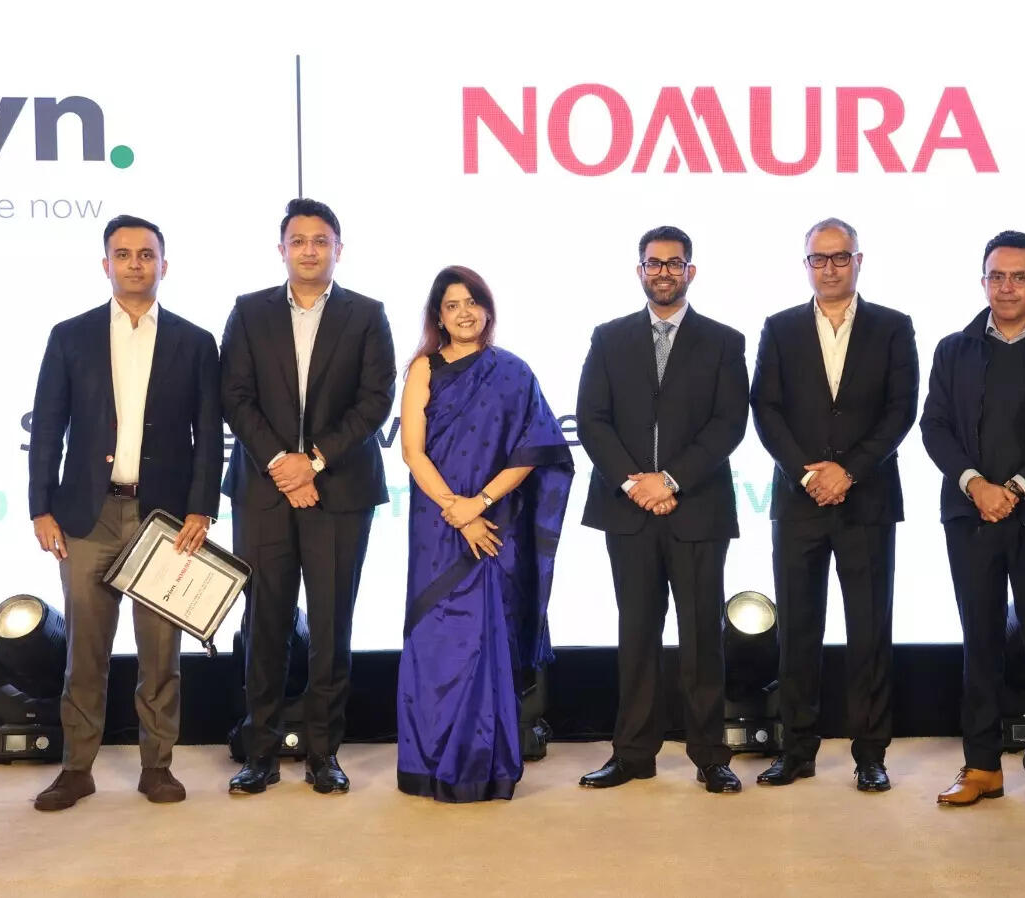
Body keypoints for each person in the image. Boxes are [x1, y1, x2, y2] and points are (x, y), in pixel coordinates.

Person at [27, 214, 222, 811]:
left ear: (165, 264)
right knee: (85, 652)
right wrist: (40, 508)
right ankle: (76, 769)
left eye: (146, 254)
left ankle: (157, 766)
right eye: (123, 253)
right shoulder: (70, 336)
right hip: (87, 517)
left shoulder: (195, 342)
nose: (135, 263)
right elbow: (48, 428)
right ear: (105, 263)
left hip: (164, 521)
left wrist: (201, 510)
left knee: (161, 655)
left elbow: (208, 438)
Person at [222, 198, 396, 796]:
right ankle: (260, 753)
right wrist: (281, 463)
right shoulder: (249, 312)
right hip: (263, 491)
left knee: (330, 625)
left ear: (338, 249)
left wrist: (313, 462)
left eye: (321, 241)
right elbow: (234, 395)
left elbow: (375, 400)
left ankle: (324, 753)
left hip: (339, 490)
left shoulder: (367, 314)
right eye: (298, 241)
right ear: (282, 250)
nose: (309, 250)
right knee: (263, 625)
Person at [575, 225, 749, 794]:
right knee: (636, 635)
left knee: (702, 639)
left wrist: (669, 480)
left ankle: (710, 756)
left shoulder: (724, 341)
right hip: (628, 511)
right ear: (640, 271)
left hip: (697, 509)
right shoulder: (608, 338)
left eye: (675, 263)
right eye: (654, 263)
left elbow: (728, 424)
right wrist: (635, 483)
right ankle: (632, 754)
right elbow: (592, 419)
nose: (664, 272)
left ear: (690, 271)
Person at [749, 217, 919, 792]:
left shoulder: (893, 326)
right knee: (797, 631)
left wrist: (849, 471)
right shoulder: (779, 327)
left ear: (858, 261)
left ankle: (870, 754)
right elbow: (765, 409)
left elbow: (900, 410)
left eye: (840, 257)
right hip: (798, 502)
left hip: (867, 500)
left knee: (869, 632)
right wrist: (807, 474)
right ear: (806, 266)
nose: (829, 268)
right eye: (818, 259)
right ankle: (796, 750)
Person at [920, 230, 1025, 814]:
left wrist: (1016, 488)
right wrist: (977, 485)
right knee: (981, 640)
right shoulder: (953, 348)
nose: (1007, 287)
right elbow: (934, 426)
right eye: (997, 276)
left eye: (1019, 277)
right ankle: (982, 766)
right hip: (971, 515)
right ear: (983, 281)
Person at [395, 266, 573, 802]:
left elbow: (535, 449)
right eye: (452, 305)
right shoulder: (423, 368)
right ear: (438, 315)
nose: (464, 313)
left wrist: (481, 504)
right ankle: (427, 763)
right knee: (436, 640)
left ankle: (483, 764)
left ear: (488, 309)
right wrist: (458, 511)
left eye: (472, 302)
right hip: (437, 524)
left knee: (483, 639)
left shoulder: (513, 371)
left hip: (497, 524)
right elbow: (412, 452)